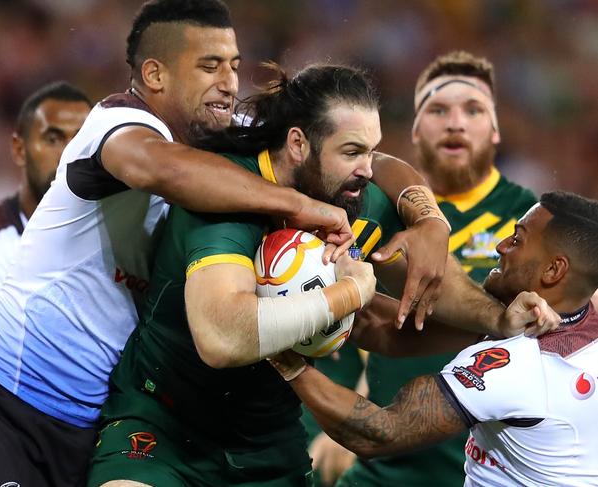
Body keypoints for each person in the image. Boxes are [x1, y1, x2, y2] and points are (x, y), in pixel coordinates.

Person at [0, 2, 447, 485]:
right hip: (9, 405)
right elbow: (159, 168)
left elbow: (360, 153)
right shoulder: (115, 123)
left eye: (233, 65)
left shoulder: (226, 136)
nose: (229, 81)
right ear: (155, 75)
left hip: (91, 425)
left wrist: (426, 215)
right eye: (209, 66)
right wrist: (301, 206)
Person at [87, 62, 556, 487]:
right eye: (352, 151)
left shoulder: (350, 193)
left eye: (370, 150)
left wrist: (496, 320)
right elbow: (222, 339)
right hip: (163, 429)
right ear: (297, 144)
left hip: (267, 446)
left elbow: (391, 316)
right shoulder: (228, 199)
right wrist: (350, 293)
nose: (366, 170)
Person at [271, 191, 598, 486]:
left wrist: (287, 362)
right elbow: (384, 325)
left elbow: (377, 433)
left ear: (554, 271)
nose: (501, 246)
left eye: (517, 239)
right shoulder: (579, 322)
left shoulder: (517, 362)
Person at [327, 50, 540, 487]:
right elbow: (344, 326)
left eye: (474, 110)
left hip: (492, 462)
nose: (455, 122)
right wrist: (327, 424)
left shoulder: (533, 221)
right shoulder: (373, 206)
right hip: (383, 457)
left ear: (496, 130)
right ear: (415, 131)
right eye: (438, 109)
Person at [0, 81, 92, 355]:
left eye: (81, 140)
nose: (69, 154)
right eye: (53, 139)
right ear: (19, 149)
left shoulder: (120, 227)